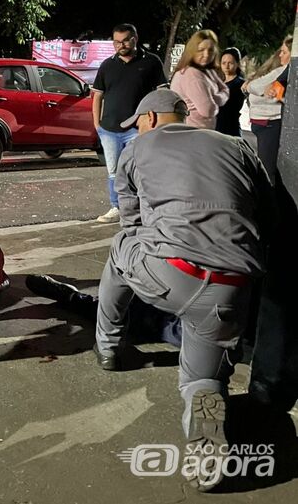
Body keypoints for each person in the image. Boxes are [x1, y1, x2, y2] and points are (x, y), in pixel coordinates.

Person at [93, 89, 273, 491]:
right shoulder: (236, 146)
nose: (136, 130)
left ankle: (108, 347)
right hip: (231, 287)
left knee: (120, 249)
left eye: (137, 123)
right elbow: (269, 213)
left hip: (173, 273)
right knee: (200, 381)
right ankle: (206, 448)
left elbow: (131, 222)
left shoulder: (136, 150)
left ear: (153, 119)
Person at [91, 23, 167, 224]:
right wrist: (97, 124)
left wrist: (156, 122)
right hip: (109, 129)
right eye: (116, 42)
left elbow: (162, 92)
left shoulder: (151, 62)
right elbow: (97, 95)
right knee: (114, 171)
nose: (121, 45)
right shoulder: (107, 65)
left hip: (138, 128)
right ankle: (117, 207)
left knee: (141, 168)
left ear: (135, 38)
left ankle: (144, 206)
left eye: (125, 40)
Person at [242, 35, 293, 183]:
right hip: (263, 123)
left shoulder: (284, 71)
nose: (280, 55)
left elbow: (254, 86)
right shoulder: (281, 71)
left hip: (270, 123)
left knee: (267, 171)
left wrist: (268, 91)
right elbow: (254, 86)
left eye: (284, 51)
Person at [169, 29, 229, 129]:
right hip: (193, 132)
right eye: (201, 50)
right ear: (192, 50)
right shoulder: (191, 74)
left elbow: (226, 91)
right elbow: (208, 110)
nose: (206, 55)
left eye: (210, 50)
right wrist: (216, 101)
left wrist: (212, 98)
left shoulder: (208, 71)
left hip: (202, 131)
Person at [215, 47, 245, 137]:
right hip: (217, 126)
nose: (226, 66)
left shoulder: (240, 83)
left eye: (230, 63)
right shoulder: (219, 82)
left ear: (237, 64)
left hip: (230, 127)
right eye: (223, 63)